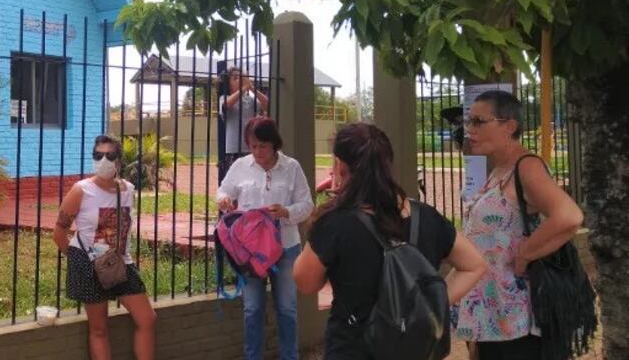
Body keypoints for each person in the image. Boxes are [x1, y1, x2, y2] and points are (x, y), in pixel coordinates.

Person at [293, 122, 486, 360]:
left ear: (340, 166)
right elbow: (475, 264)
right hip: (411, 349)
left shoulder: (336, 222)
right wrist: (426, 303)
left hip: (354, 347)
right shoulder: (425, 216)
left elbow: (305, 282)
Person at [454, 90, 584, 359]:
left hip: (517, 319)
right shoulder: (500, 169)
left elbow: (569, 216)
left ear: (509, 126)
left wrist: (525, 253)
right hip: (494, 316)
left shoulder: (527, 167)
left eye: (478, 122)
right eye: (468, 122)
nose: (469, 130)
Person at [217, 117, 314, 360]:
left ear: (274, 144)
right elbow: (224, 191)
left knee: (287, 308)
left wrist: (286, 212)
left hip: (286, 248)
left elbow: (307, 205)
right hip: (251, 253)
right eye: (253, 146)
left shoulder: (291, 167)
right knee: (252, 309)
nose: (258, 151)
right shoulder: (241, 166)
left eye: (263, 146)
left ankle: (289, 357)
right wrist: (224, 200)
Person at [53, 135, 156, 360]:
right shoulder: (81, 190)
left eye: (109, 156)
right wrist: (79, 260)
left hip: (120, 263)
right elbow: (59, 233)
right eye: (98, 155)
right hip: (88, 264)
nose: (103, 161)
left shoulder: (128, 190)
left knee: (147, 319)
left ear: (119, 159)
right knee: (99, 329)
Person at [219, 66, 269, 181]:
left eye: (242, 78)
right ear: (228, 84)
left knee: (252, 179)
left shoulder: (251, 99)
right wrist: (244, 87)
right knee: (236, 180)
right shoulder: (224, 97)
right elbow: (227, 105)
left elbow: (267, 105)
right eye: (236, 78)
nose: (240, 80)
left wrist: (252, 88)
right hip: (234, 149)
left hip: (251, 147)